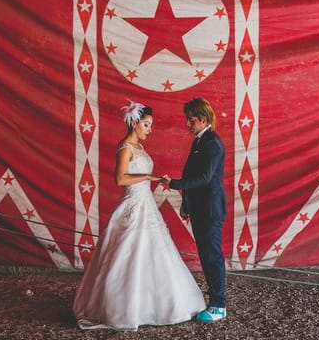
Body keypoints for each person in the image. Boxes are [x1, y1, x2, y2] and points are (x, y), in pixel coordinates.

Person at [73, 99, 206, 331]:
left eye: (150, 125)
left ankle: (154, 303)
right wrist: (147, 177)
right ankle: (124, 307)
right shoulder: (125, 147)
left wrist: (152, 178)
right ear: (134, 123)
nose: (150, 129)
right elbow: (120, 179)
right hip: (133, 203)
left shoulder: (141, 149)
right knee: (128, 252)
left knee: (154, 252)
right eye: (146, 125)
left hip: (146, 204)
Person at [161, 97, 227, 323]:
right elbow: (193, 176)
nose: (188, 124)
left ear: (204, 118)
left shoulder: (212, 143)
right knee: (206, 256)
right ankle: (214, 301)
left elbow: (204, 178)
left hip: (210, 209)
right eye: (187, 120)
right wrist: (186, 204)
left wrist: (174, 184)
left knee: (212, 257)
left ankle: (219, 305)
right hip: (199, 207)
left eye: (192, 120)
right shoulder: (199, 141)